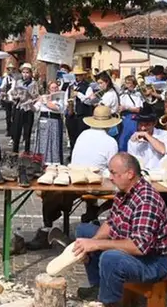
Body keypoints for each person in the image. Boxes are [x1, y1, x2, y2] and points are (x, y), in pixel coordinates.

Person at [73, 153, 167, 305]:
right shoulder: (124, 191)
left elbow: (140, 247)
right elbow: (111, 222)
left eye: (113, 173)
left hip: (152, 261)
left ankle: (109, 302)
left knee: (111, 258)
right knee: (84, 232)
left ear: (130, 174)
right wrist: (90, 244)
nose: (110, 177)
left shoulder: (146, 200)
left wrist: (97, 245)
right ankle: (98, 286)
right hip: (133, 247)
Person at [26, 105, 120, 251]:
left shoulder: (83, 135)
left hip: (74, 177)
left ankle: (51, 226)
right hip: (94, 182)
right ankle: (94, 213)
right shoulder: (111, 142)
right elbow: (111, 167)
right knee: (117, 189)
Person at [126, 104, 167, 234]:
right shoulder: (133, 139)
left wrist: (148, 137)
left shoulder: (165, 134)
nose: (143, 128)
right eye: (141, 125)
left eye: (147, 125)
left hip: (162, 179)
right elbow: (132, 162)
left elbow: (163, 149)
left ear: (154, 123)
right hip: (143, 180)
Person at [9, 63, 40, 153]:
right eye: (23, 72)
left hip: (28, 108)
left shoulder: (34, 83)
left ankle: (26, 152)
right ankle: (15, 151)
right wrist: (16, 96)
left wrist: (28, 93)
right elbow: (13, 93)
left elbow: (36, 96)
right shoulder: (18, 82)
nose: (25, 74)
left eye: (27, 72)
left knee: (27, 132)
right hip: (19, 107)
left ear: (30, 74)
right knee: (17, 131)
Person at [34, 80, 65, 165]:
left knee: (53, 142)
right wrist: (28, 103)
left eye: (56, 88)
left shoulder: (59, 98)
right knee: (43, 142)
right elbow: (36, 108)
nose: (54, 90)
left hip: (54, 121)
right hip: (43, 121)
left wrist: (45, 101)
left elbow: (57, 108)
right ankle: (41, 162)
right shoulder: (44, 96)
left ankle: (54, 163)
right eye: (52, 88)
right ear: (49, 89)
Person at [65, 66, 92, 152]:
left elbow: (89, 101)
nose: (77, 77)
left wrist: (78, 94)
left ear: (82, 76)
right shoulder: (70, 86)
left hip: (82, 116)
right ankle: (72, 154)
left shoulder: (88, 87)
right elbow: (65, 98)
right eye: (75, 75)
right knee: (72, 137)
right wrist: (68, 105)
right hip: (71, 115)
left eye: (79, 75)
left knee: (82, 137)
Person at [117, 75, 144, 151]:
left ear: (134, 83)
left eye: (129, 83)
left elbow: (138, 109)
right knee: (121, 139)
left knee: (131, 138)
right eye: (126, 83)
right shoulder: (123, 93)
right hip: (123, 117)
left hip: (132, 118)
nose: (127, 85)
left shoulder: (137, 94)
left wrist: (126, 108)